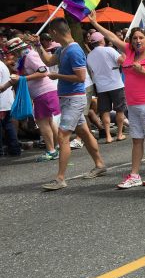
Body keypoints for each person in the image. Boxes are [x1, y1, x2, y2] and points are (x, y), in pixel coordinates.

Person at [90, 16, 145, 189]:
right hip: (132, 104)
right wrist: (95, 24)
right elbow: (112, 37)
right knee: (137, 140)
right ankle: (134, 174)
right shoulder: (129, 52)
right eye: (135, 38)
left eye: (141, 38)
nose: (137, 41)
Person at [33, 19, 107, 190]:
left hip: (74, 98)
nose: (50, 36)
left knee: (62, 135)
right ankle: (100, 165)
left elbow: (81, 77)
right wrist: (38, 45)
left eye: (51, 33)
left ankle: (60, 178)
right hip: (67, 98)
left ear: (54, 33)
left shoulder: (74, 50)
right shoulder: (62, 49)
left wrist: (57, 77)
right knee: (85, 133)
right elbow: (49, 61)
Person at [3, 37, 60, 160]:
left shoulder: (30, 56)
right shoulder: (24, 58)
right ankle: (55, 148)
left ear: (19, 49)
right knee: (49, 121)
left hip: (43, 92)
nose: (13, 54)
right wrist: (5, 86)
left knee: (42, 122)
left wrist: (23, 79)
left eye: (13, 52)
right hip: (43, 92)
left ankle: (51, 151)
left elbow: (43, 72)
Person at [86, 31, 127, 143]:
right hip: (116, 84)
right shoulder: (109, 50)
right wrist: (124, 52)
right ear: (101, 40)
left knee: (105, 111)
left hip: (100, 86)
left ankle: (108, 136)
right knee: (120, 110)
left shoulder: (89, 56)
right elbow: (122, 61)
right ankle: (119, 134)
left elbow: (91, 72)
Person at [0, 50, 21, 157]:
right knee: (8, 125)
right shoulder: (3, 65)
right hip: (6, 101)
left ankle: (6, 150)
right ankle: (15, 149)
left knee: (7, 126)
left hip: (2, 102)